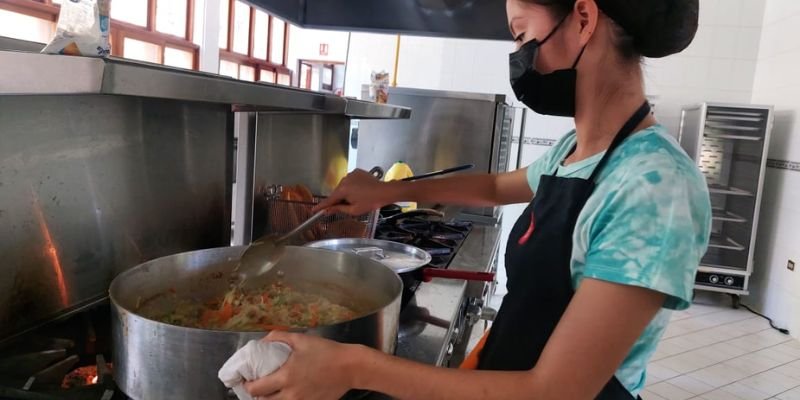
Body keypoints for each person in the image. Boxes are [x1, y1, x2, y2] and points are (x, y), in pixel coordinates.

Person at [245, 0, 711, 398]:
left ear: (584, 19)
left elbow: (555, 391)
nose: (518, 55)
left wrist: (351, 367)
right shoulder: (576, 151)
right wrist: (386, 193)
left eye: (521, 33)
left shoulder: (655, 186)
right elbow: (493, 187)